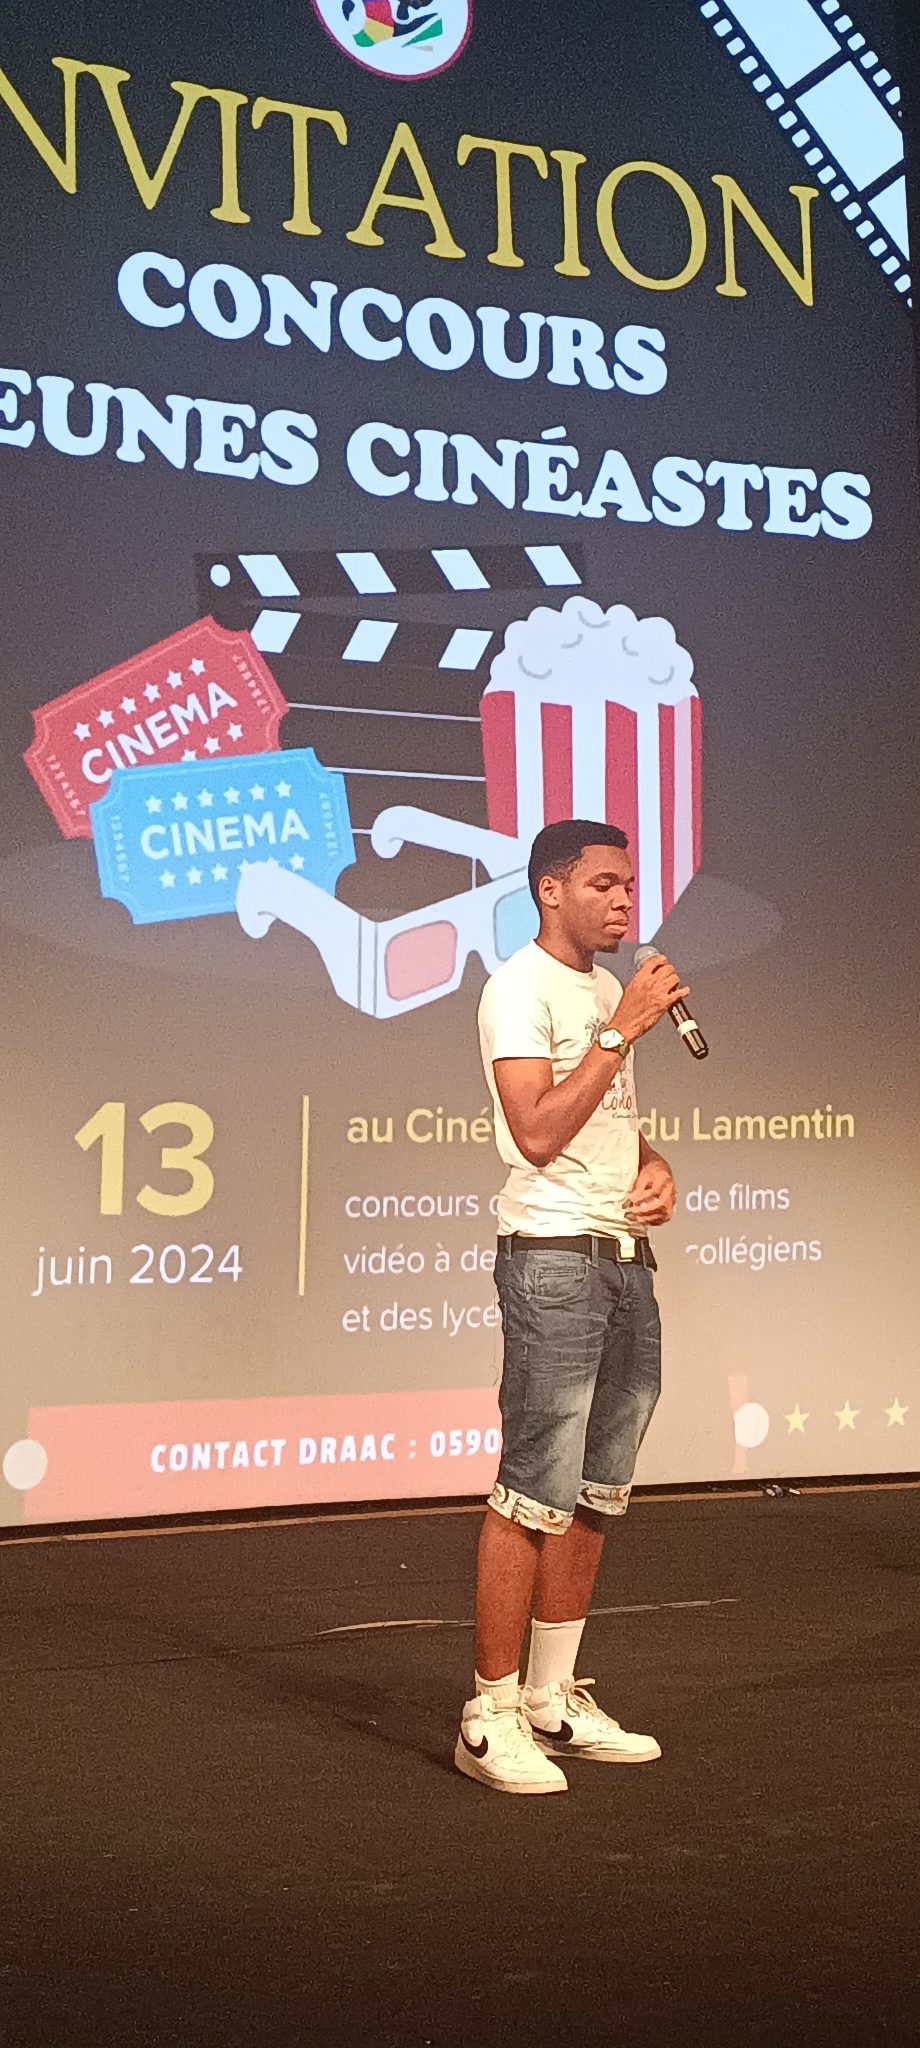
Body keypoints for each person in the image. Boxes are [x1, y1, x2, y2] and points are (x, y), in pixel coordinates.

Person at [455, 818, 687, 1795]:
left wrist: (653, 1166)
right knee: (532, 1486)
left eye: (628, 884)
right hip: (551, 1260)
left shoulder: (601, 993)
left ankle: (551, 1697)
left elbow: (606, 1127)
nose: (623, 899)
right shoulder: (520, 987)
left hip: (623, 1258)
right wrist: (621, 1029)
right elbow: (538, 1132)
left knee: (596, 1489)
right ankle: (488, 1713)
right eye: (602, 884)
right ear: (550, 889)